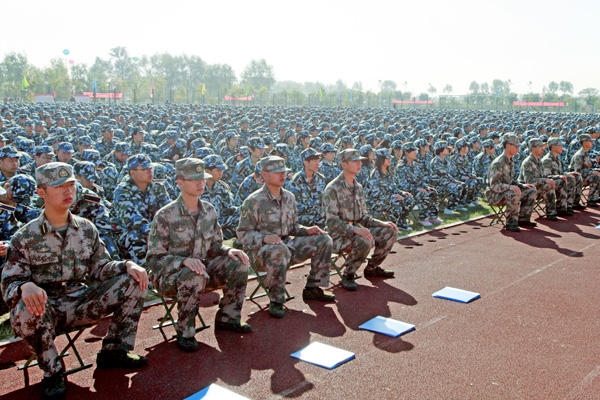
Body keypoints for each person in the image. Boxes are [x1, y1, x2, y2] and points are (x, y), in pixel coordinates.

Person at [1, 162, 149, 399]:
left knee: (134, 281)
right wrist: (24, 286)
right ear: (41, 192)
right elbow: (9, 283)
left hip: (81, 301)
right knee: (25, 310)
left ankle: (115, 351)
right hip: (45, 310)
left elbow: (100, 269)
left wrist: (127, 265)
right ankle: (52, 371)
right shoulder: (25, 236)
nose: (68, 191)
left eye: (71, 185)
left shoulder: (86, 229)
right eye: (59, 186)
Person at [147, 158, 251, 353]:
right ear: (179, 182)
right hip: (170, 277)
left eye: (202, 179)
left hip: (202, 270)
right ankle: (185, 331)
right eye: (194, 179)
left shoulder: (209, 211)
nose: (200, 183)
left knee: (238, 263)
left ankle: (229, 317)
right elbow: (154, 259)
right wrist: (183, 261)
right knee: (193, 274)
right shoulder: (165, 215)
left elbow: (215, 246)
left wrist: (229, 250)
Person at [237, 156, 334, 319]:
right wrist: (263, 238)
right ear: (265, 175)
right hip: (260, 253)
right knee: (279, 249)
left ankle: (313, 288)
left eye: (284, 171)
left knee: (324, 240)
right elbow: (242, 234)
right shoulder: (253, 201)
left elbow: (293, 228)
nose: (283, 175)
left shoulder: (289, 197)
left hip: (286, 246)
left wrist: (307, 230)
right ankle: (276, 300)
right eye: (277, 172)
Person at [322, 149, 398, 291]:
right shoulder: (333, 188)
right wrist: (355, 229)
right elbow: (332, 222)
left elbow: (363, 217)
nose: (359, 164)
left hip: (356, 232)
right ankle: (348, 274)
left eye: (360, 161)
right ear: (344, 164)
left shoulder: (358, 187)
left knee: (390, 232)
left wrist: (382, 223)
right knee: (365, 239)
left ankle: (372, 268)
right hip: (337, 236)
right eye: (355, 161)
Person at [113, 154, 172, 264]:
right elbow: (131, 219)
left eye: (151, 168)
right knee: (136, 236)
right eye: (145, 169)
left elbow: (169, 210)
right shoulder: (122, 191)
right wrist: (152, 231)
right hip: (130, 232)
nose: (150, 171)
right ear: (133, 173)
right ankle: (146, 271)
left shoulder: (158, 187)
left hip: (155, 230)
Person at [486, 134, 537, 232]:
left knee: (531, 190)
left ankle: (523, 219)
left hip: (504, 191)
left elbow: (510, 180)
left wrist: (521, 185)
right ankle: (511, 223)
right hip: (495, 195)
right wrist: (510, 187)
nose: (518, 148)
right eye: (516, 146)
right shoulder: (498, 162)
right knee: (513, 193)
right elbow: (494, 185)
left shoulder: (510, 160)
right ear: (508, 146)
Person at [517, 138, 559, 220]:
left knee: (550, 184)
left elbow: (543, 177)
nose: (543, 149)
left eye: (543, 146)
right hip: (525, 189)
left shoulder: (539, 161)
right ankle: (523, 218)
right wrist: (545, 180)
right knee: (546, 185)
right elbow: (529, 182)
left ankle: (552, 212)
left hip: (536, 188)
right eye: (540, 146)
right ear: (532, 148)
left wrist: (550, 179)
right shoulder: (528, 162)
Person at [288, 148, 328, 227]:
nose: (318, 164)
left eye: (318, 161)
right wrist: (315, 213)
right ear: (306, 163)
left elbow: (325, 201)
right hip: (302, 218)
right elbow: (296, 208)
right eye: (314, 161)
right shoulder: (296, 181)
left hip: (319, 216)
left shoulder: (321, 179)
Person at [541, 137, 579, 214]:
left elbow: (560, 172)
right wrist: (560, 176)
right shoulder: (547, 160)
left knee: (573, 178)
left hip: (557, 180)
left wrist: (567, 174)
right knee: (561, 181)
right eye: (560, 145)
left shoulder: (557, 158)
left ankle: (569, 205)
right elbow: (546, 176)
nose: (562, 147)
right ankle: (561, 207)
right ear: (553, 147)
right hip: (548, 183)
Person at [568, 133, 600, 207]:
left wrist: (596, 170)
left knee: (597, 173)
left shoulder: (585, 153)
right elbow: (578, 172)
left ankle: (595, 197)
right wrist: (592, 172)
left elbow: (586, 168)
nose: (592, 143)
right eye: (590, 141)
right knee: (595, 177)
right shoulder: (580, 154)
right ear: (585, 142)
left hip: (584, 176)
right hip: (576, 178)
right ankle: (591, 199)